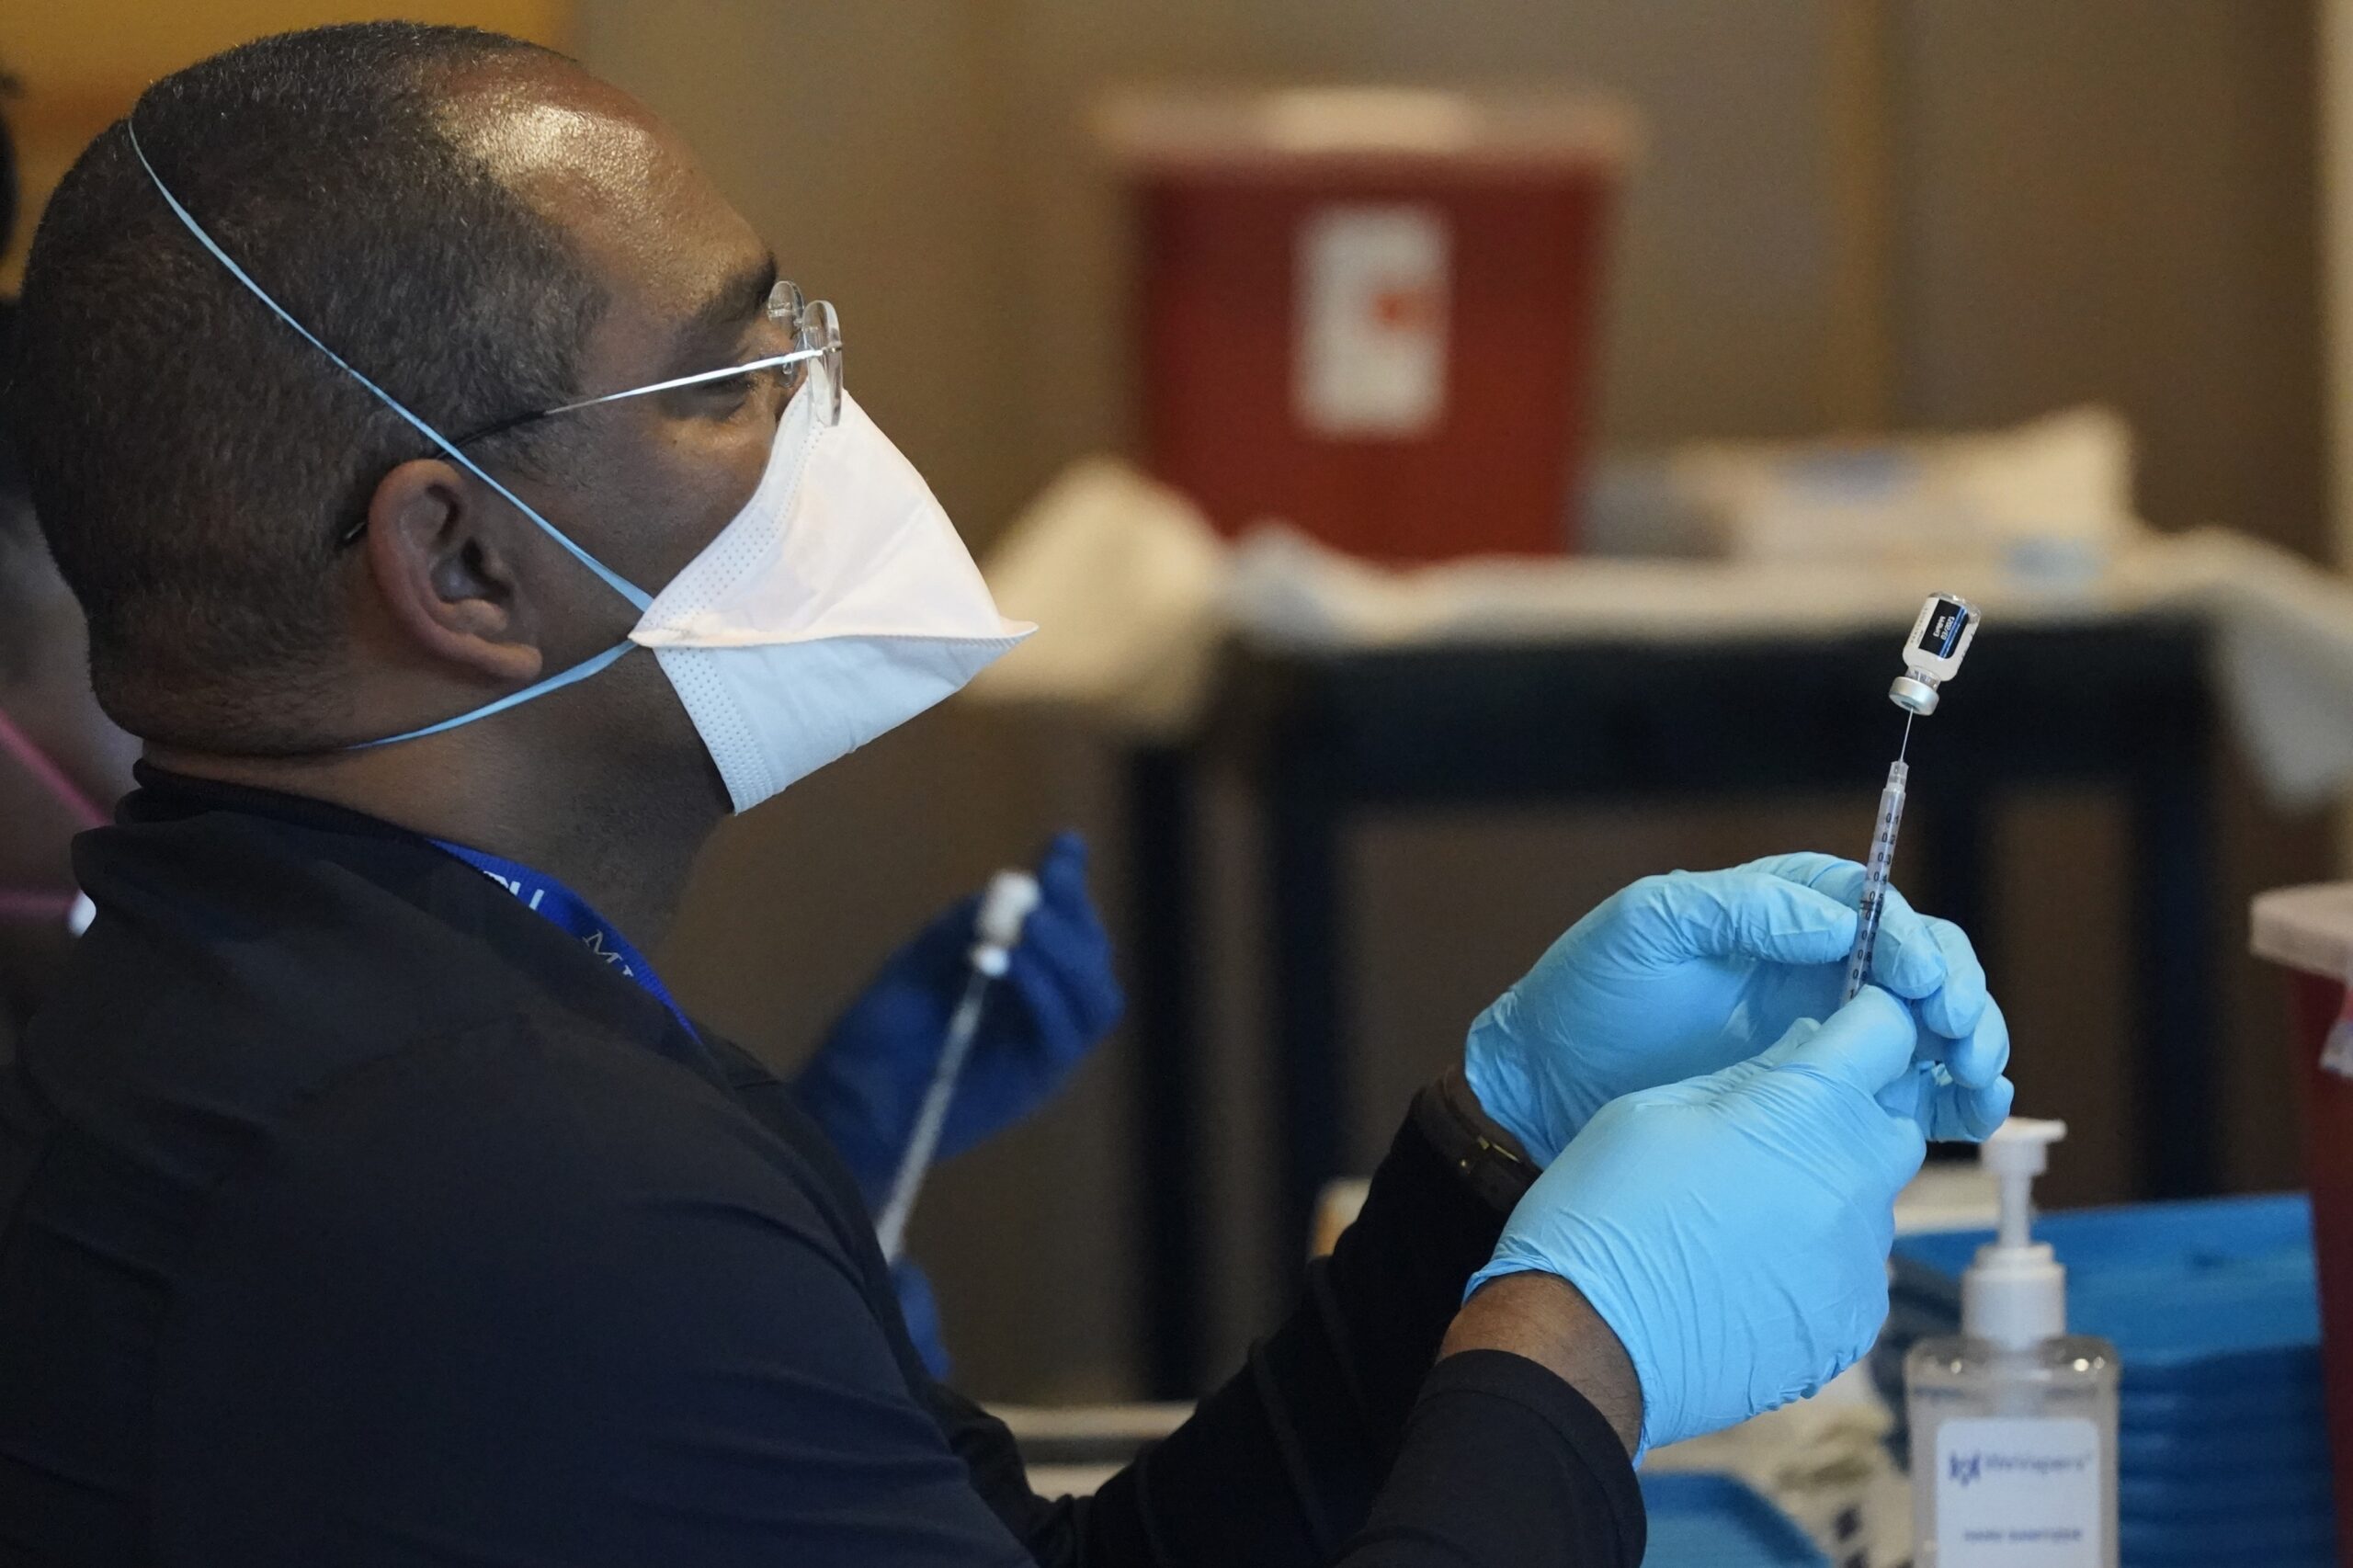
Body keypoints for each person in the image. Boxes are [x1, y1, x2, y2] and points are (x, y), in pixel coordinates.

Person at [0, 24, 2012, 1568]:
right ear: (460, 566)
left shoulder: (363, 999)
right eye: (725, 379)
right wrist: (1581, 1344)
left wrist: (1482, 1179)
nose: (824, 427)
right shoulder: (480, 1180)